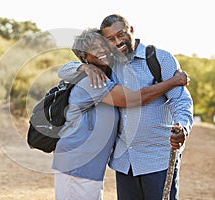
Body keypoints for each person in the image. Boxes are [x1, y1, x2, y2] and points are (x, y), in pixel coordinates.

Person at [58, 14, 193, 200]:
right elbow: (64, 69)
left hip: (157, 159)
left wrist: (183, 126)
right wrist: (84, 67)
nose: (117, 42)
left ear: (131, 30)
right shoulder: (106, 66)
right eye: (110, 39)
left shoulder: (160, 59)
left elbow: (181, 100)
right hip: (124, 162)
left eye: (120, 34)